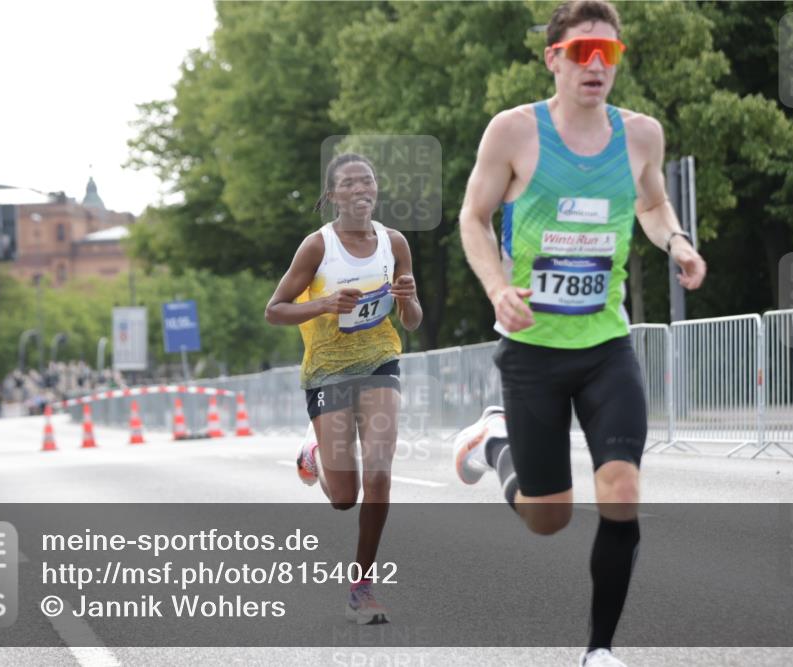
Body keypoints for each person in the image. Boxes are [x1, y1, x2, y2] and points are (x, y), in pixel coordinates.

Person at [454, 2, 707, 666]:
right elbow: (474, 219)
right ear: (554, 59)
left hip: (605, 348)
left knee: (621, 488)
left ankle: (598, 649)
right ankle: (492, 439)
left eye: (610, 53)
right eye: (583, 51)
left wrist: (676, 241)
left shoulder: (641, 136)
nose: (597, 65)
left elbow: (651, 201)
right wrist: (497, 288)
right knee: (549, 517)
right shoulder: (513, 133)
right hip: (534, 350)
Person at [265, 153, 423, 625]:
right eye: (349, 184)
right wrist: (326, 304)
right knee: (343, 497)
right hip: (328, 371)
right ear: (333, 196)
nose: (360, 189)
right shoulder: (317, 247)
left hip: (379, 364)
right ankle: (313, 454)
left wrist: (409, 299)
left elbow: (411, 322)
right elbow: (275, 309)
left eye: (367, 182)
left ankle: (361, 587)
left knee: (379, 472)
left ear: (376, 191)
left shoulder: (394, 243)